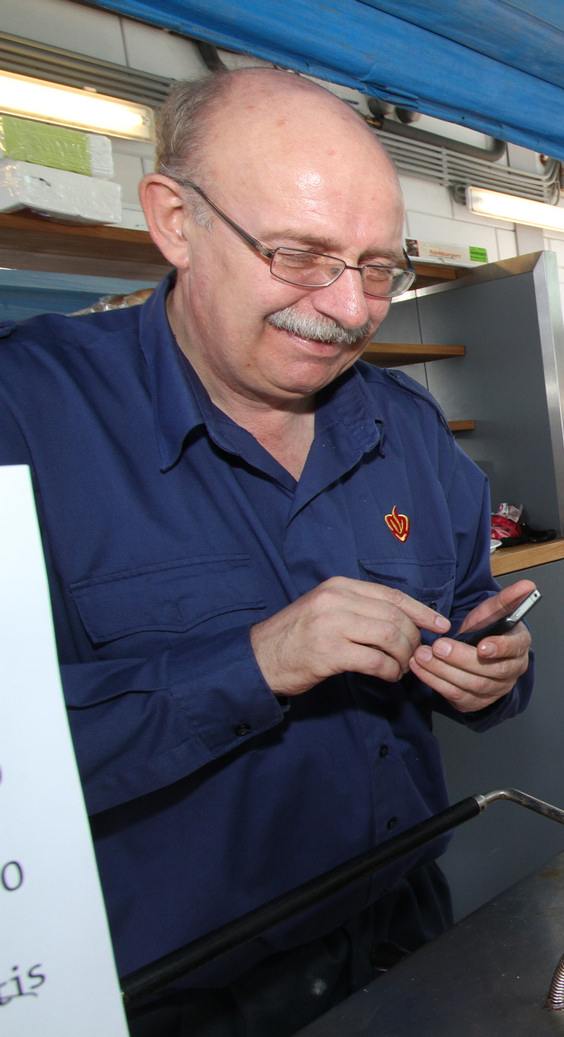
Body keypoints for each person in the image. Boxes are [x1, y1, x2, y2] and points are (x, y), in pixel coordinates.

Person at [0, 68, 536, 1036]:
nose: (349, 307)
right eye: (301, 256)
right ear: (175, 220)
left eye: (379, 269)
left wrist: (492, 670)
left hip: (406, 931)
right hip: (184, 994)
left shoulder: (409, 429)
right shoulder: (27, 416)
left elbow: (469, 614)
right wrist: (253, 664)